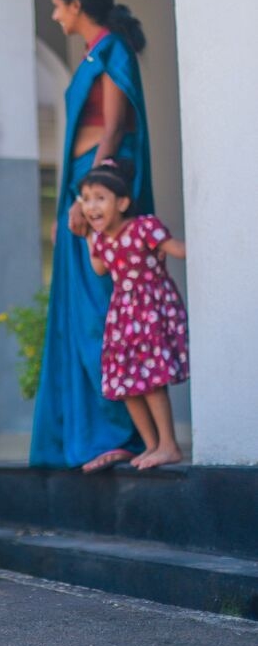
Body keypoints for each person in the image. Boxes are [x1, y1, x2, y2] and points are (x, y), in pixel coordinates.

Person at [32, 0, 155, 472]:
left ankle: (119, 431)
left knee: (99, 310)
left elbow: (116, 126)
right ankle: (90, 430)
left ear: (76, 5)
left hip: (96, 184)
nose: (56, 14)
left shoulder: (112, 50)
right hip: (82, 182)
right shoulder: (92, 52)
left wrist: (89, 192)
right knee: (78, 309)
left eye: (58, 5)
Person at [80, 161, 187, 469]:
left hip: (150, 310)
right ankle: (152, 445)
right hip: (123, 317)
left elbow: (176, 248)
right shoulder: (101, 239)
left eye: (100, 197)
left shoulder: (144, 227)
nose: (91, 205)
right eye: (86, 198)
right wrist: (89, 236)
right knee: (125, 382)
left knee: (151, 380)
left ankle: (169, 444)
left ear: (123, 202)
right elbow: (100, 268)